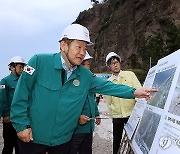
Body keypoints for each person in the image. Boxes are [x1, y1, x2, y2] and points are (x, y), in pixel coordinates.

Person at [10, 23, 157, 154]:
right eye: (78, 47)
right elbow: (21, 95)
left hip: (62, 142)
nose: (82, 52)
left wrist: (134, 92)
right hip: (33, 138)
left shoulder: (85, 75)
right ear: (63, 45)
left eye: (85, 48)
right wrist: (21, 125)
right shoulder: (39, 62)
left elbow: (108, 86)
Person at [105, 52, 142, 154]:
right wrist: (112, 116)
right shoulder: (108, 82)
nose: (115, 65)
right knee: (117, 139)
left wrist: (138, 102)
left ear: (120, 63)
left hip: (131, 114)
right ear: (109, 66)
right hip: (117, 116)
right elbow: (109, 102)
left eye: (117, 62)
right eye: (112, 63)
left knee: (135, 139)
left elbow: (138, 90)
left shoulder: (130, 75)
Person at [69, 51, 101, 154]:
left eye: (88, 64)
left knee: (87, 150)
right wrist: (77, 117)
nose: (87, 67)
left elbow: (92, 100)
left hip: (89, 127)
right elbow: (65, 106)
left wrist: (96, 114)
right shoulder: (70, 80)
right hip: (75, 130)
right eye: (83, 64)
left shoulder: (89, 80)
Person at [0, 56, 26, 154]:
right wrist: (5, 114)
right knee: (8, 145)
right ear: (12, 67)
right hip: (10, 118)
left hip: (22, 118)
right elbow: (2, 99)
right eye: (20, 66)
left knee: (21, 145)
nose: (22, 69)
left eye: (23, 66)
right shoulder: (5, 81)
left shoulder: (24, 80)